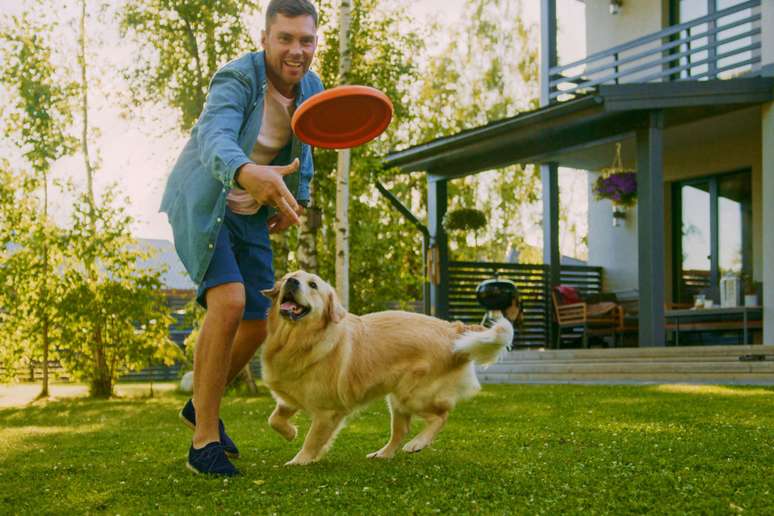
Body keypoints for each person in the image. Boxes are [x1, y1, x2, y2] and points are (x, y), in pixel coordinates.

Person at [159, 0, 323, 476]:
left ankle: (200, 404)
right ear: (265, 38)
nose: (296, 50)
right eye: (285, 38)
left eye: (306, 40)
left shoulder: (311, 87)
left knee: (259, 318)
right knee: (229, 301)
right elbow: (214, 137)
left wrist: (297, 198)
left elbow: (306, 146)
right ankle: (204, 440)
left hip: (252, 211)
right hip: (205, 201)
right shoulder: (237, 78)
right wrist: (248, 172)